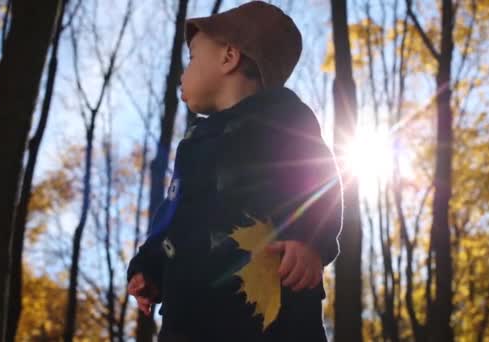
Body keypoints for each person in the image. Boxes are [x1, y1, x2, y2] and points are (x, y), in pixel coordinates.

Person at [127, 2, 343, 341]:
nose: (185, 72)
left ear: (229, 57)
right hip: (189, 317)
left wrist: (310, 238)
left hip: (267, 317)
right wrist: (150, 266)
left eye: (193, 58)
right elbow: (173, 217)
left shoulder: (282, 118)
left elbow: (317, 177)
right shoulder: (194, 145)